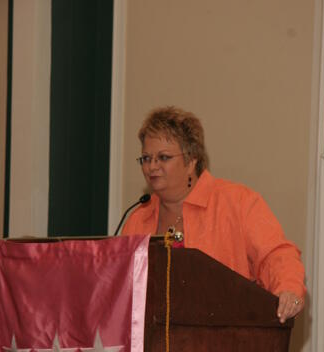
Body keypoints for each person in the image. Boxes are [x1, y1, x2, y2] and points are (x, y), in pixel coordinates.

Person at [122, 106, 305, 322]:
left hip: (226, 339)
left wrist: (288, 289)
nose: (152, 166)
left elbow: (276, 255)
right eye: (146, 158)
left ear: (191, 161)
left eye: (163, 157)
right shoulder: (138, 219)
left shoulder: (237, 202)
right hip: (154, 345)